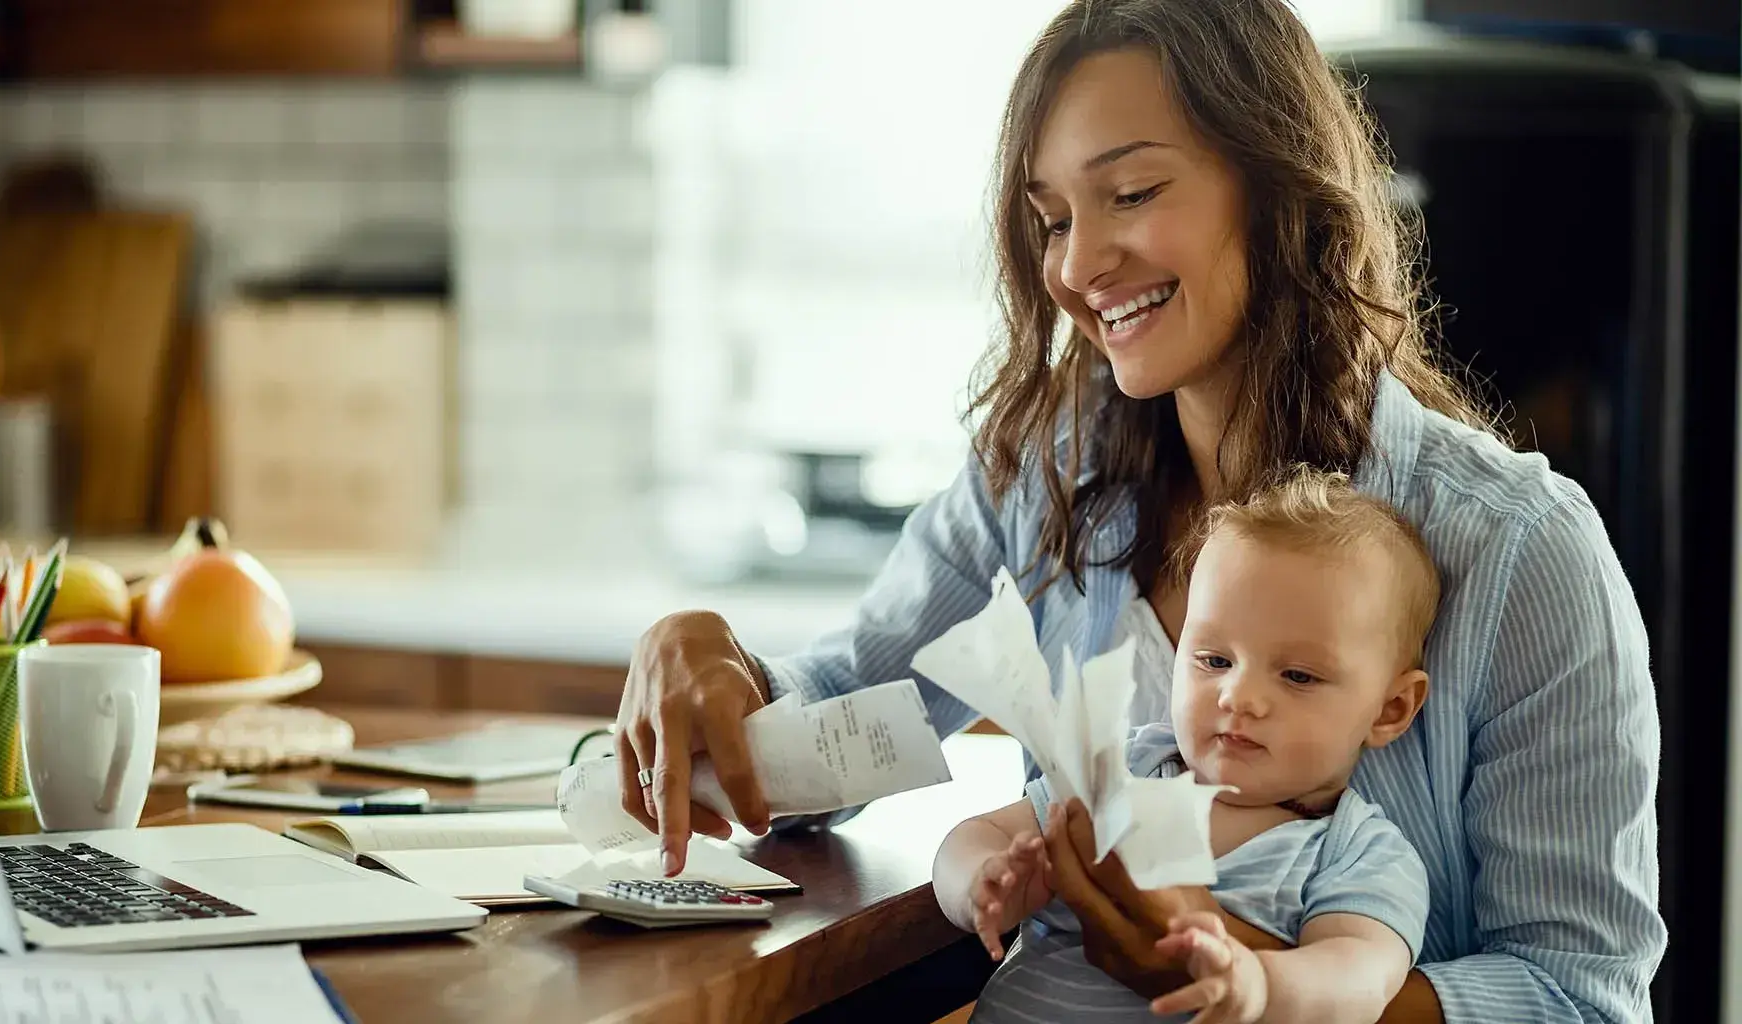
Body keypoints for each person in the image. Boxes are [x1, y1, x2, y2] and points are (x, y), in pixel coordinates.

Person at [612, 1, 1665, 1020]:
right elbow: (850, 713)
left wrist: (1235, 975)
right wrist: (719, 681)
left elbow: (1579, 994)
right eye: (1054, 218)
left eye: (1130, 194)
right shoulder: (1043, 479)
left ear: (1275, 184)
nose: (1074, 267)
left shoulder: (1522, 551)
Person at [938, 468, 1434, 1022]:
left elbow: (1359, 980)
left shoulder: (1355, 853)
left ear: (1390, 709)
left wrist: (1260, 983)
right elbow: (975, 835)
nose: (1238, 696)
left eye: (1297, 676)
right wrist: (981, 882)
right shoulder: (1128, 767)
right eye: (1215, 660)